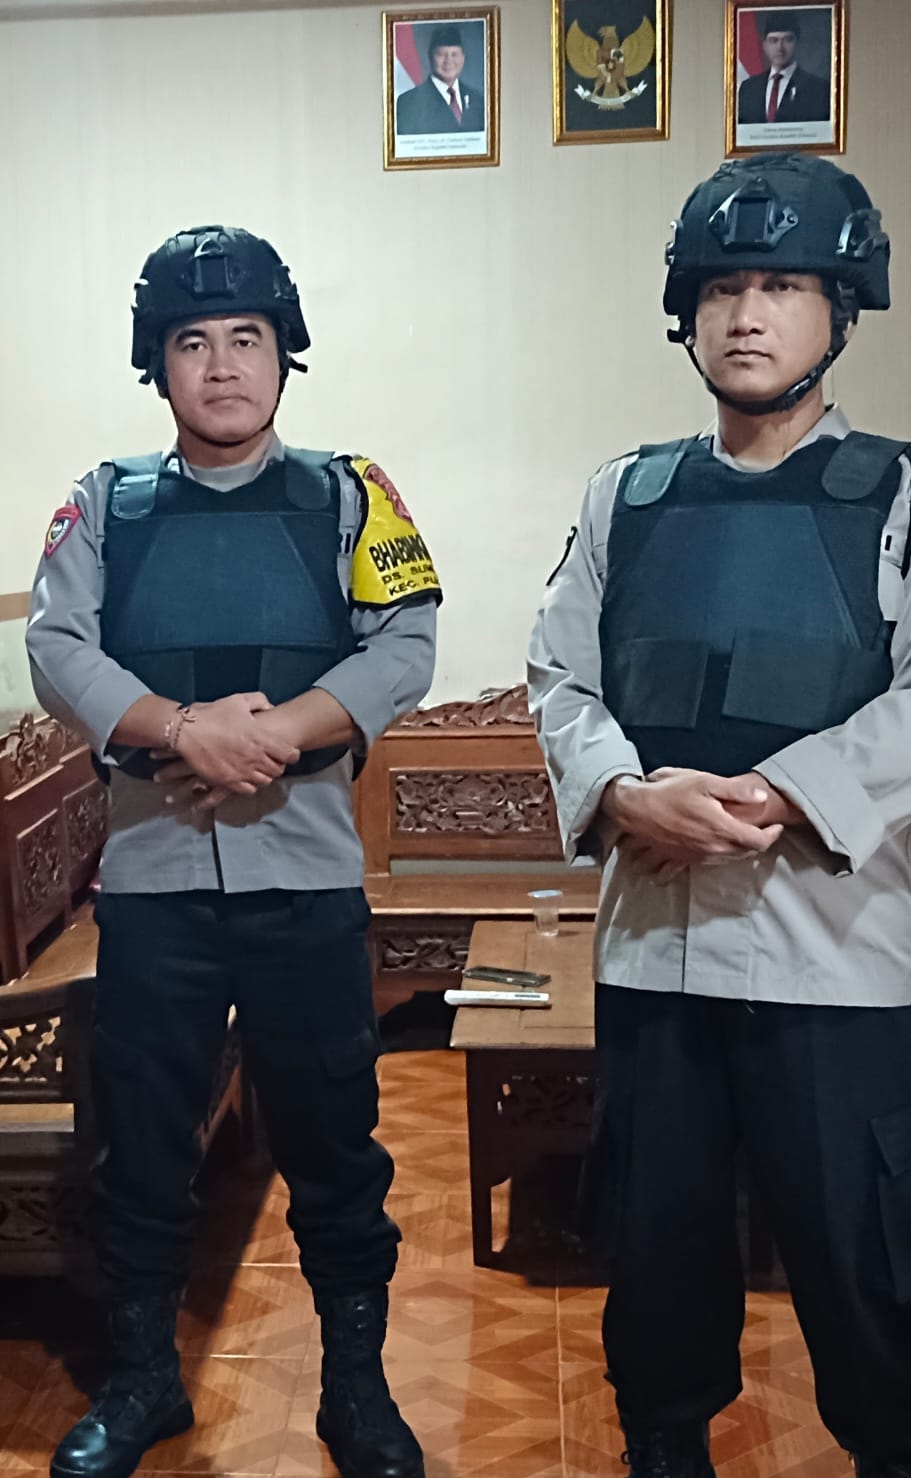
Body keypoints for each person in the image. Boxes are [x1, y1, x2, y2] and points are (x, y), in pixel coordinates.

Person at [527, 154, 911, 1478]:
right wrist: (625, 791)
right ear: (686, 307)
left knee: (866, 1265)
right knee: (657, 1261)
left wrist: (780, 793)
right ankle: (664, 1447)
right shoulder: (625, 495)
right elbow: (558, 675)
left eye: (783, 284)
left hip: (833, 967)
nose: (747, 314)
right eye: (723, 285)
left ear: (840, 308)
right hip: (655, 958)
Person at [27, 225, 441, 1478]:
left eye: (245, 339)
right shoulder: (105, 502)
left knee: (335, 1145)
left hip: (304, 878)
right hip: (153, 887)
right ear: (156, 364)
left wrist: (273, 734)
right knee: (143, 1147)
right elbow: (56, 645)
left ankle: (357, 1390)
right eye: (192, 342)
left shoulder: (352, 492)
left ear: (283, 354)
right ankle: (145, 1378)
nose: (220, 365)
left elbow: (404, 642)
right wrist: (177, 727)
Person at [736, 10, 830, 125]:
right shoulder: (748, 89)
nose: (780, 48)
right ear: (765, 45)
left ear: (797, 43)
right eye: (773, 40)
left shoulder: (819, 89)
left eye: (787, 40)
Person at [396, 22, 486, 134]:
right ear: (430, 56)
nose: (448, 61)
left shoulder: (478, 100)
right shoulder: (409, 102)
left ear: (463, 57)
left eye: (454, 54)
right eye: (441, 54)